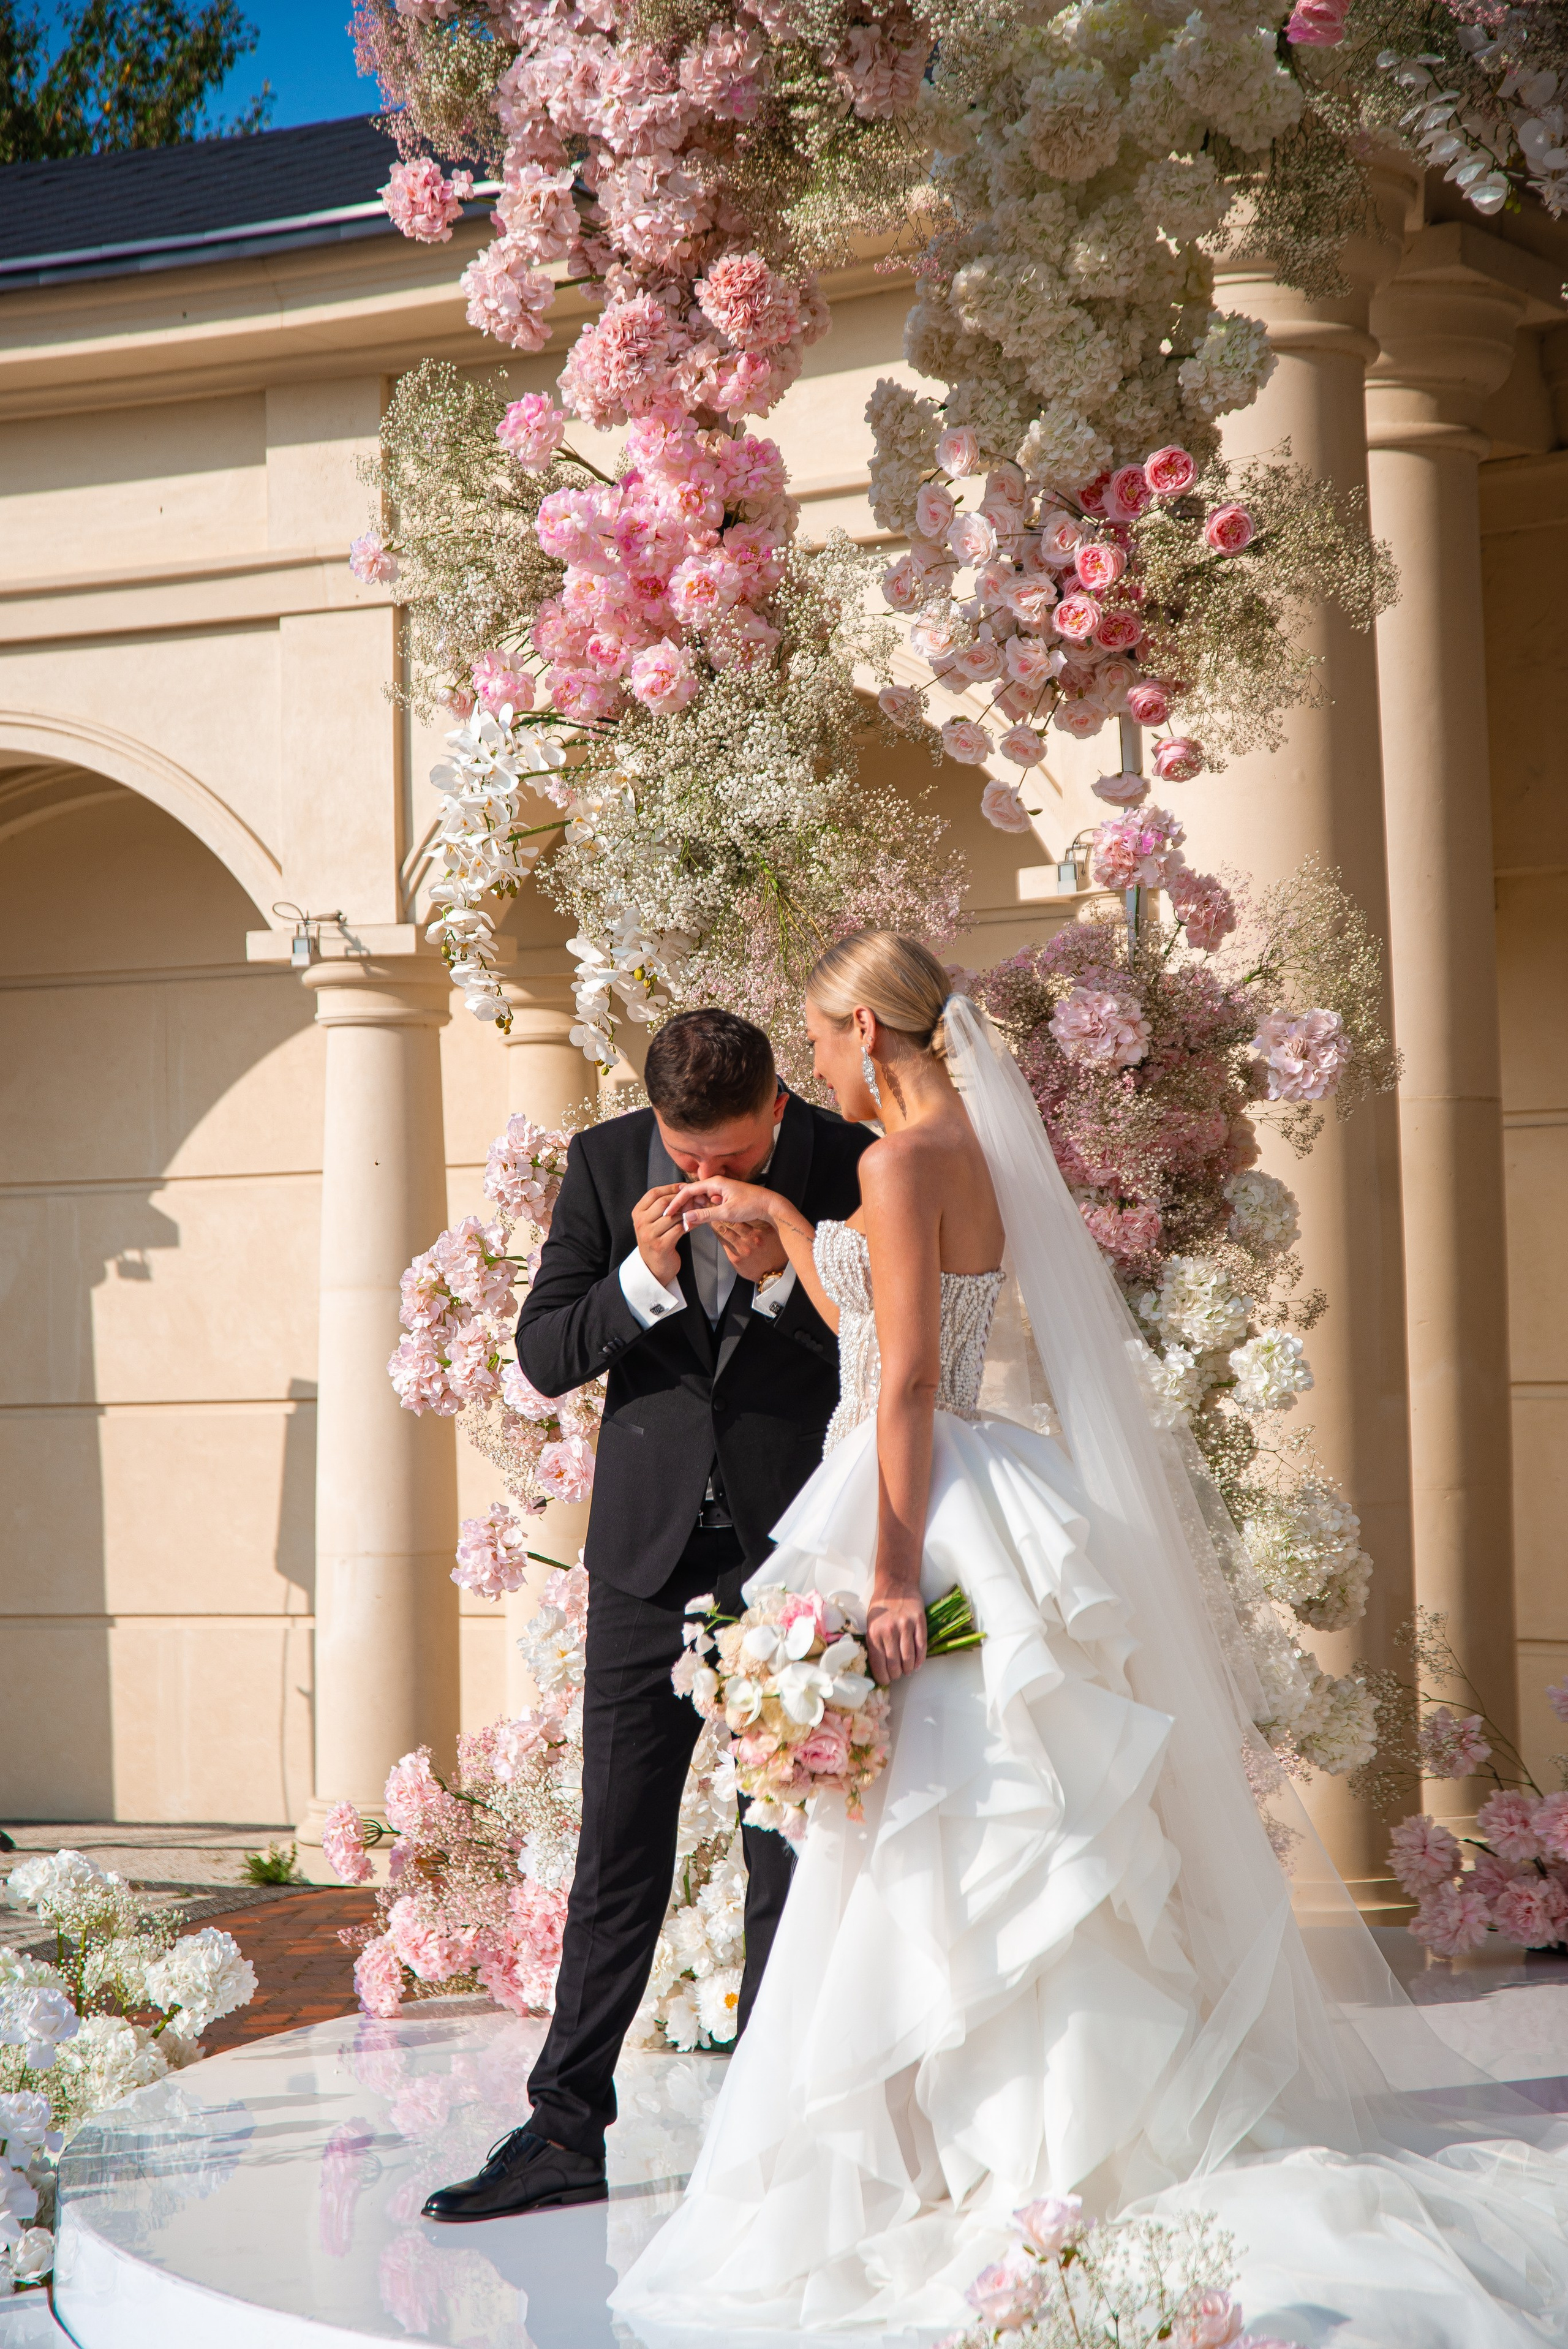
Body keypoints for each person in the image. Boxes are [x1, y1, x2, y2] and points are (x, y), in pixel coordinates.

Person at [612, 931, 1568, 2345]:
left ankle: (988, 2160)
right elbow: (886, 1326)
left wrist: (888, 1575)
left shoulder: (895, 1163)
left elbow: (905, 1379)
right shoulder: (971, 1152)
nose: (813, 1063)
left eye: (815, 1037)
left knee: (948, 1830)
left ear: (865, 1031)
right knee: (1003, 1823)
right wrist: (786, 1231)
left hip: (921, 1507)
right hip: (987, 1489)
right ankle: (1020, 2140)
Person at [422, 1007, 873, 2223]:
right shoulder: (608, 1159)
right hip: (644, 1559)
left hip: (793, 1554)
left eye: (735, 1156)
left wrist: (781, 1278)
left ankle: (770, 2142)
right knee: (615, 1848)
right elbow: (544, 1356)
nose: (710, 1177)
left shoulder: (849, 1160)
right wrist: (645, 1278)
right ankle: (563, 2131)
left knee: (784, 1848)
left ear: (776, 1107)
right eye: (690, 1159)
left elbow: (895, 1362)